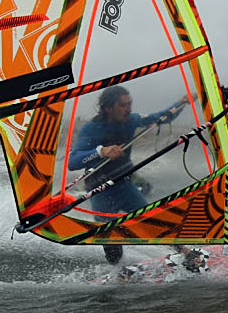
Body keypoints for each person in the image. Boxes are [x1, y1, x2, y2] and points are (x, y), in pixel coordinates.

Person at [69, 85, 186, 264]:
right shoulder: (91, 129)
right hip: (101, 193)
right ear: (108, 108)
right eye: (123, 105)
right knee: (111, 244)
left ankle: (187, 253)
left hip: (126, 187)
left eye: (130, 104)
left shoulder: (132, 120)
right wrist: (101, 151)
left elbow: (161, 117)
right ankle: (118, 274)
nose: (129, 109)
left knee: (152, 223)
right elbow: (73, 162)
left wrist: (182, 103)